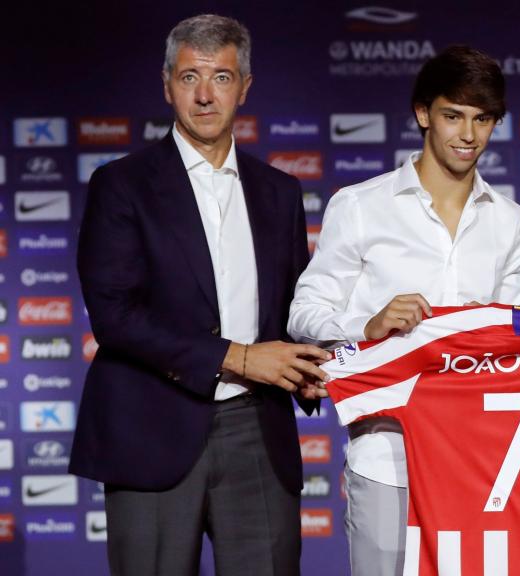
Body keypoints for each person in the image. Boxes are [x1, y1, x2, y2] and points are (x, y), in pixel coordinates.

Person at [70, 14, 331, 576]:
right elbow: (115, 316)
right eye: (190, 77)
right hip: (152, 430)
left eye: (222, 77)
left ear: (245, 87)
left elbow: (291, 307)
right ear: (167, 86)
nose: (206, 95)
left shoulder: (280, 192)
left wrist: (310, 360)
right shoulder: (121, 184)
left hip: (257, 433)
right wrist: (236, 357)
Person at [288, 45, 520, 576]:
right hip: (386, 456)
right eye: (453, 116)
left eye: (483, 119)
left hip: (480, 460)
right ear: (423, 114)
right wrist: (366, 327)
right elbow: (304, 311)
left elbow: (514, 334)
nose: (468, 135)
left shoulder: (507, 219)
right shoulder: (360, 206)